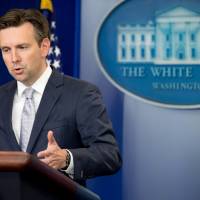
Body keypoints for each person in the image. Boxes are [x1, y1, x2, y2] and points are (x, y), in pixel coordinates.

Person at [0, 8, 121, 186]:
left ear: (44, 47)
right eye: (6, 50)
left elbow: (109, 155)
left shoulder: (81, 94)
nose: (14, 58)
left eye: (22, 47)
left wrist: (67, 159)